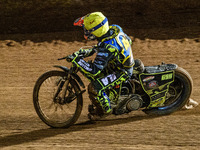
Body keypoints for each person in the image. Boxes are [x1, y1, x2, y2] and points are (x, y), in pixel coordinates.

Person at [67, 12, 134, 119]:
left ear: (97, 30)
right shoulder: (115, 29)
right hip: (119, 63)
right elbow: (128, 40)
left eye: (88, 30)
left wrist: (77, 60)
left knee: (94, 88)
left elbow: (94, 70)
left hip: (121, 71)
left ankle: (103, 112)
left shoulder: (107, 47)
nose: (86, 32)